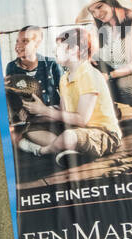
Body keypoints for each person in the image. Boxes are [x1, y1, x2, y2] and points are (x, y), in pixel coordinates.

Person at [19, 26, 122, 168]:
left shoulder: (89, 75)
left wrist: (45, 111)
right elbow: (62, 110)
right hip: (76, 129)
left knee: (69, 136)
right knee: (31, 128)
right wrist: (34, 112)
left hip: (103, 133)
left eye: (60, 47)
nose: (55, 51)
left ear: (75, 49)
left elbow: (81, 119)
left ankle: (43, 151)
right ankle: (67, 150)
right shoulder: (64, 78)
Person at [77, 0, 132, 118]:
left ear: (112, 3)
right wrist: (90, 59)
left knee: (121, 87)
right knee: (86, 72)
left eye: (99, 7)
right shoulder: (104, 28)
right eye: (92, 12)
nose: (96, 14)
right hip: (115, 68)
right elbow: (106, 53)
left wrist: (109, 75)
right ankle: (110, 108)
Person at [5, 25, 63, 107]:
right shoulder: (11, 67)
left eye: (25, 41)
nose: (18, 45)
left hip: (53, 117)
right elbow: (12, 99)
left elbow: (66, 97)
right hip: (27, 118)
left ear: (37, 43)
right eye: (17, 41)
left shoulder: (52, 64)